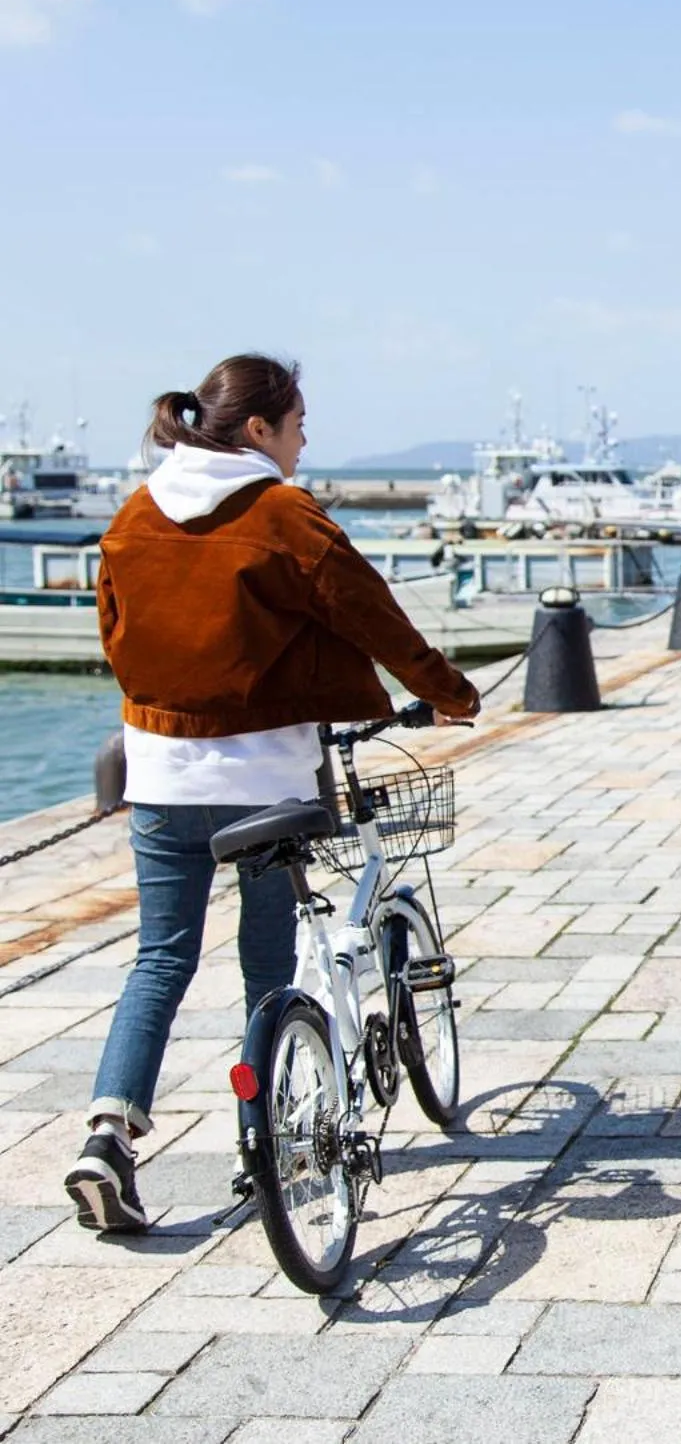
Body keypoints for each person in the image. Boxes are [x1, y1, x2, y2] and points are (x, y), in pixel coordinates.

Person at [65, 355, 480, 1232]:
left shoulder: (136, 512)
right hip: (265, 782)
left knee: (160, 957)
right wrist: (450, 691)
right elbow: (370, 612)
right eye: (297, 423)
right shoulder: (281, 511)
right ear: (257, 429)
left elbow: (115, 631)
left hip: (159, 773)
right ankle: (273, 1147)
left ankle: (108, 1134)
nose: (303, 439)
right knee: (271, 965)